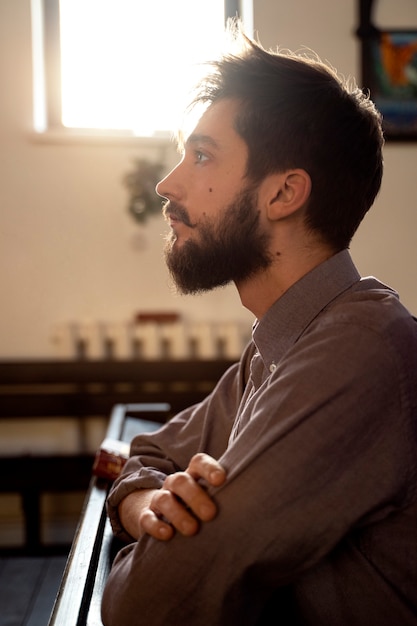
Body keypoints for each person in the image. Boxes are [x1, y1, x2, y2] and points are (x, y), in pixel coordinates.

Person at [101, 22, 417, 626]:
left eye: (202, 156)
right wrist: (143, 503)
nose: (168, 184)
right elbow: (145, 450)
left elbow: (145, 604)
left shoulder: (358, 352)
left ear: (284, 194)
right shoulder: (279, 345)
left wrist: (147, 518)